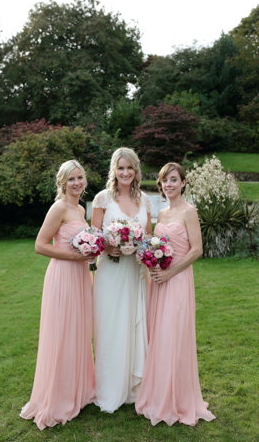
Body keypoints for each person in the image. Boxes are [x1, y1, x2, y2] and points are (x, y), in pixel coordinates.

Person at [135, 162, 215, 426]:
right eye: (164, 180)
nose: (168, 184)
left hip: (178, 280)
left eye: (173, 180)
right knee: (159, 335)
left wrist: (170, 273)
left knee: (175, 336)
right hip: (159, 282)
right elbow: (158, 246)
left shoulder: (189, 211)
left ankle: (178, 399)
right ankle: (159, 395)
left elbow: (196, 250)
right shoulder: (163, 212)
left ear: (183, 183)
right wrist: (152, 262)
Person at [20, 160, 95, 429]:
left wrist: (88, 257)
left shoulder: (80, 209)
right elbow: (40, 246)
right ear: (62, 182)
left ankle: (79, 390)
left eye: (80, 178)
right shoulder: (59, 207)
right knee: (62, 332)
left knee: (79, 331)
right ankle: (59, 397)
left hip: (81, 276)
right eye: (71, 179)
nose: (77, 183)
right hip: (63, 275)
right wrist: (74, 256)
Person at [91, 147, 152, 413]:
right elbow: (93, 238)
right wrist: (108, 246)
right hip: (111, 273)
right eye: (120, 168)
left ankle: (132, 387)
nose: (125, 172)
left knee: (134, 326)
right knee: (110, 327)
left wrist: (139, 248)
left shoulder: (146, 201)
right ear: (114, 171)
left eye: (130, 168)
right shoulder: (103, 199)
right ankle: (109, 389)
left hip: (134, 272)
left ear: (136, 171)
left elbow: (148, 238)